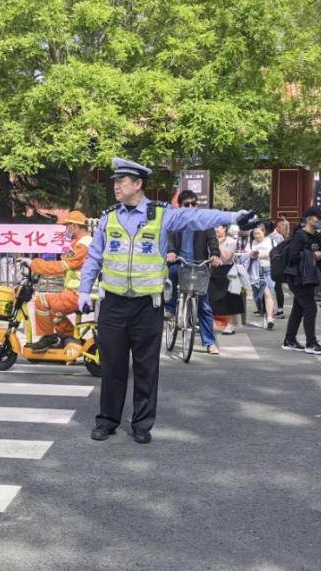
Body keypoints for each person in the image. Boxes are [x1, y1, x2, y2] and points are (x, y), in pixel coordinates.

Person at [78, 157, 255, 444]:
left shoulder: (162, 215)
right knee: (112, 366)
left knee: (146, 367)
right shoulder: (108, 218)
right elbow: (94, 257)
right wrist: (84, 290)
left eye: (122, 181)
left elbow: (197, 218)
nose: (116, 186)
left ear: (138, 184)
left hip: (147, 305)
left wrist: (232, 217)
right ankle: (107, 421)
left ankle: (141, 424)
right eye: (115, 181)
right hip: (113, 304)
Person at [20, 211, 92, 352]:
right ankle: (69, 338)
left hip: (79, 294)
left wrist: (34, 264)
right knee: (53, 311)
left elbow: (62, 266)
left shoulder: (83, 245)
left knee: (41, 301)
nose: (66, 229)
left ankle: (48, 337)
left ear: (74, 226)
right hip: (79, 292)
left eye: (67, 226)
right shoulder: (84, 242)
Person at [166, 190, 223, 354]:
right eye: (186, 204)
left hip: (198, 266)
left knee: (204, 305)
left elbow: (212, 241)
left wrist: (215, 255)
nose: (190, 207)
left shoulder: (204, 222)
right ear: (180, 206)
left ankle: (210, 343)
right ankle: (170, 310)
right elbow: (168, 239)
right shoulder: (174, 221)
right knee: (172, 274)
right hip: (179, 263)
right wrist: (171, 251)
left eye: (193, 204)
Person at [282, 207, 321, 355]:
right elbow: (292, 257)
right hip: (297, 279)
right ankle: (311, 343)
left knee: (298, 309)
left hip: (307, 279)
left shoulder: (316, 237)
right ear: (308, 219)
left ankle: (289, 340)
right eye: (318, 218)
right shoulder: (299, 236)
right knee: (310, 308)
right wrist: (312, 255)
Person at [211, 224, 241, 335]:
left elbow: (226, 257)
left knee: (228, 298)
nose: (215, 229)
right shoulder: (211, 240)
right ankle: (215, 324)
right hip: (214, 270)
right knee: (213, 298)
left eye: (218, 227)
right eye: (214, 227)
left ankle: (230, 325)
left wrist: (217, 245)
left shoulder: (231, 241)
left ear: (224, 228)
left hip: (227, 270)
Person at [271, 217, 290, 318]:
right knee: (278, 287)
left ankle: (278, 309)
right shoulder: (283, 237)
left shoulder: (277, 237)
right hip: (280, 265)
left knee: (276, 287)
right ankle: (279, 309)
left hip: (275, 264)